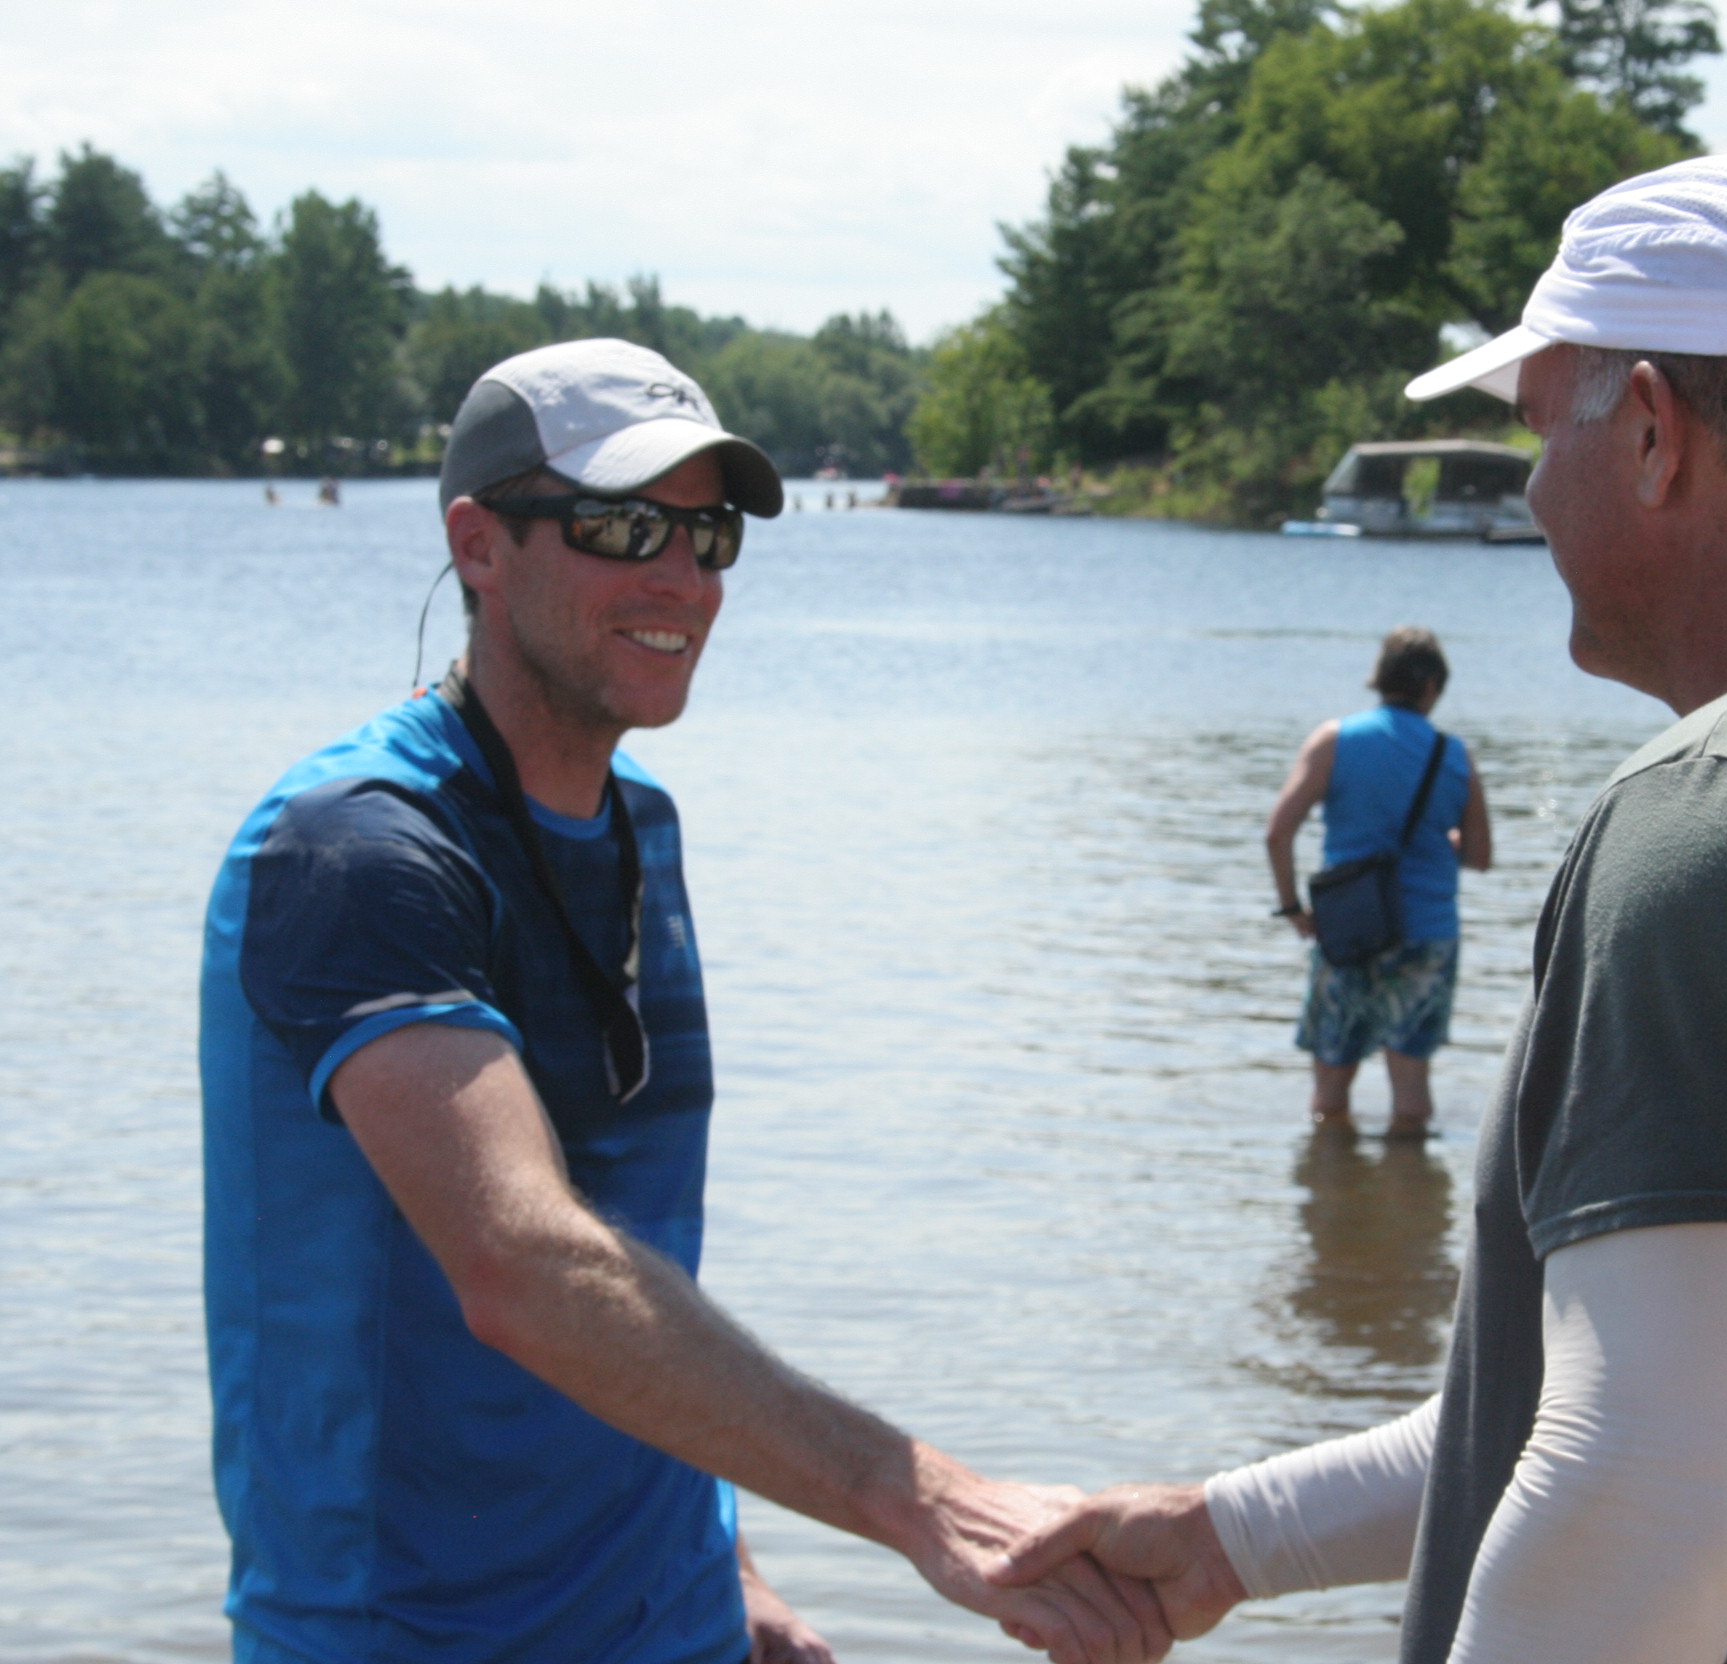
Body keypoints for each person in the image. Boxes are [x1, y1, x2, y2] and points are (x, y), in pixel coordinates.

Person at [1000, 154, 1727, 1663]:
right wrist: (1229, 1540)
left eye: (1546, 426)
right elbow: (1615, 1403)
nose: (1536, 487)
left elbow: (1654, 1497)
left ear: (1657, 432)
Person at [200, 338, 1163, 1664]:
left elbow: (630, 1255)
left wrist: (728, 1557)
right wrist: (923, 1500)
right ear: (478, 544)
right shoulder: (357, 851)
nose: (680, 576)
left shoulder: (638, 829)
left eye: (707, 533)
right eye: (621, 524)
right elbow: (524, 1264)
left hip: (675, 1621)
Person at [1265, 626, 1491, 1139]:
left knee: (1330, 1084)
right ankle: (1410, 1199)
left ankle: (1332, 1193)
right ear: (1432, 686)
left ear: (1380, 680)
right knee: (1411, 1084)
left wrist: (1292, 909)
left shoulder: (1333, 741)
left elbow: (1278, 833)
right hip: (1428, 932)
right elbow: (1478, 855)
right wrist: (1440, 840)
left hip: (1349, 929)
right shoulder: (1453, 755)